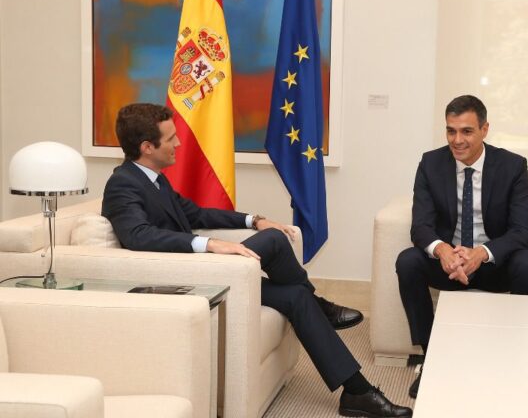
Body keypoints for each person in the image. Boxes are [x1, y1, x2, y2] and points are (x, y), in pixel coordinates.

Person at [102, 103, 412, 418]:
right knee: (276, 240)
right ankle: (321, 306)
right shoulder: (122, 183)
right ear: (146, 147)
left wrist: (254, 220)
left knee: (296, 296)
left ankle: (357, 391)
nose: (178, 144)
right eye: (170, 139)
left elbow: (196, 213)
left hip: (206, 274)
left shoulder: (156, 179)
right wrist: (210, 244)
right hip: (183, 283)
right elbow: (139, 236)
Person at [396, 95, 528, 398]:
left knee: (527, 265)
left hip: (493, 263)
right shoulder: (430, 163)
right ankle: (431, 357)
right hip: (450, 264)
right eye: (451, 131)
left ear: (484, 129)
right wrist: (443, 251)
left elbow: (522, 230)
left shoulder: (513, 166)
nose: (457, 140)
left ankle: (514, 357)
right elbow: (421, 226)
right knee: (408, 261)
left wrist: (481, 253)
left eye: (466, 131)